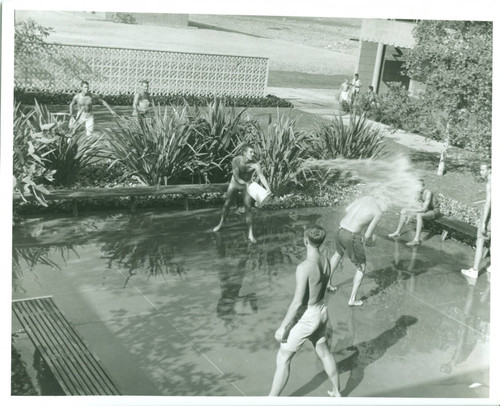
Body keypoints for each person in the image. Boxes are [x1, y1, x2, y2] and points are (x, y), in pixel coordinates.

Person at [269, 225, 341, 397]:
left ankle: (271, 399)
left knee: (283, 358)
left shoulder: (304, 267)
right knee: (324, 352)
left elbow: (296, 302)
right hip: (322, 311)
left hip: (307, 316)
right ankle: (337, 393)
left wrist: (282, 327)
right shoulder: (326, 260)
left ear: (305, 241)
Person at [328, 195, 388, 306]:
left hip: (340, 229)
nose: (385, 210)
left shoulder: (364, 199)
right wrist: (371, 243)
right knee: (362, 266)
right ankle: (352, 299)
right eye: (386, 207)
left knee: (338, 253)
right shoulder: (378, 212)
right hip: (351, 236)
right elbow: (367, 236)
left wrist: (360, 221)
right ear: (383, 202)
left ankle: (327, 282)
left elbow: (347, 210)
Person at [213, 144, 271, 243]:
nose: (253, 154)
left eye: (254, 152)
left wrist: (268, 188)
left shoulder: (255, 164)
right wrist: (245, 184)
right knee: (227, 203)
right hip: (235, 183)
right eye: (251, 152)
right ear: (244, 153)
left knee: (248, 207)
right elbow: (236, 177)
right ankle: (221, 223)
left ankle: (250, 233)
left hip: (247, 185)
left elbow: (261, 176)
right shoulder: (236, 160)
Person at [388, 179, 440, 246]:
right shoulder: (418, 192)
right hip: (427, 210)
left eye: (419, 186)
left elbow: (423, 210)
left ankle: (416, 240)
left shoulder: (428, 193)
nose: (417, 188)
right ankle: (397, 232)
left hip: (434, 211)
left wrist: (410, 210)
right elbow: (413, 204)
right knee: (404, 211)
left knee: (419, 215)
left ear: (423, 186)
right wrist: (406, 210)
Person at [461, 163, 491, 279]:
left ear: (490, 170)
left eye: (483, 170)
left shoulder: (490, 183)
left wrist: (484, 222)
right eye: (480, 170)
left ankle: (474, 270)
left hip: (489, 218)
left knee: (480, 241)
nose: (481, 172)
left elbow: (489, 203)